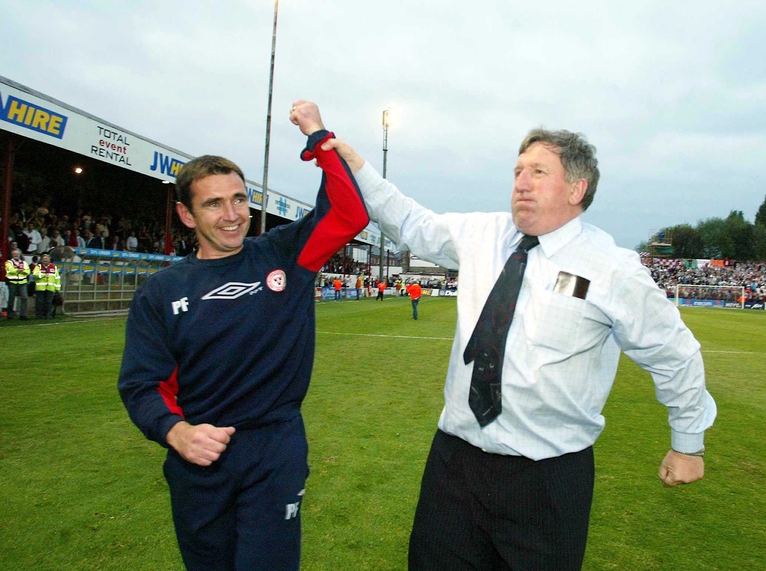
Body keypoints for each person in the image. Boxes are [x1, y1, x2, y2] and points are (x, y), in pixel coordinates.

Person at [320, 121, 716, 571]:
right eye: (517, 171)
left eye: (538, 172)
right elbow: (410, 220)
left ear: (576, 188)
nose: (521, 183)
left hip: (547, 480)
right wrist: (356, 166)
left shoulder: (612, 269)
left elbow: (674, 354)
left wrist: (688, 443)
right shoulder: (482, 236)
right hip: (455, 465)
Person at [117, 100, 368, 571]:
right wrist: (176, 432)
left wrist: (317, 135)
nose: (232, 215)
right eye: (213, 203)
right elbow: (141, 383)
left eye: (238, 199)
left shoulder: (284, 256)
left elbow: (348, 214)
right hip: (200, 457)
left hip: (274, 449)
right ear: (187, 216)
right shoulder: (161, 292)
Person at [4, 248, 30, 320]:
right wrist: (18, 270)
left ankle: (23, 315)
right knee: (11, 299)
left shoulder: (24, 262)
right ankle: (10, 315)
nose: (16, 255)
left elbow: (28, 271)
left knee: (24, 297)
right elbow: (10, 270)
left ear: (19, 255)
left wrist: (21, 271)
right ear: (12, 255)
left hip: (22, 282)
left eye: (17, 254)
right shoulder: (9, 262)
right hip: (12, 282)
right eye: (14, 254)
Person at [33, 253, 60, 319]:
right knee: (40, 302)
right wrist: (44, 275)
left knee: (49, 302)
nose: (45, 260)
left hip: (50, 287)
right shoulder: (38, 267)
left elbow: (57, 278)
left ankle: (48, 315)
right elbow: (35, 274)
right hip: (40, 287)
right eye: (44, 259)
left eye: (46, 259)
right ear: (41, 260)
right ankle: (39, 315)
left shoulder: (54, 267)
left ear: (49, 260)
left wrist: (57, 288)